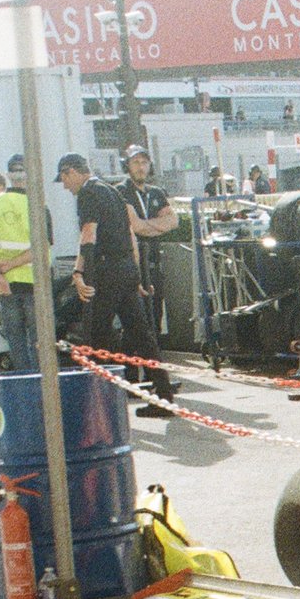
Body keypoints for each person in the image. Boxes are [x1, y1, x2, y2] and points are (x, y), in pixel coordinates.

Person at [56, 152, 174, 415]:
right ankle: (164, 395)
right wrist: (137, 277)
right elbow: (130, 235)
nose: (65, 186)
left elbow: (89, 234)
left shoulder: (88, 193)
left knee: (96, 335)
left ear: (72, 172)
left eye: (64, 179)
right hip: (126, 270)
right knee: (142, 335)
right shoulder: (114, 192)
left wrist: (78, 272)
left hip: (106, 271)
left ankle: (101, 406)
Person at [120, 144, 175, 344]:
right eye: (135, 162)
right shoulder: (121, 191)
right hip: (133, 263)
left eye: (144, 162)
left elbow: (173, 221)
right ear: (127, 165)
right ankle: (134, 369)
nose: (140, 167)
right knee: (135, 318)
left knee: (156, 313)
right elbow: (135, 227)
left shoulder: (156, 192)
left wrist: (147, 226)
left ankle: (155, 356)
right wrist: (156, 226)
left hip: (154, 262)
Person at [0, 156, 37, 372]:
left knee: (16, 341)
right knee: (39, 342)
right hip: (35, 284)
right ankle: (43, 389)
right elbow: (42, 249)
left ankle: (24, 387)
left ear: (9, 175)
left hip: (6, 284)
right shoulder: (37, 204)